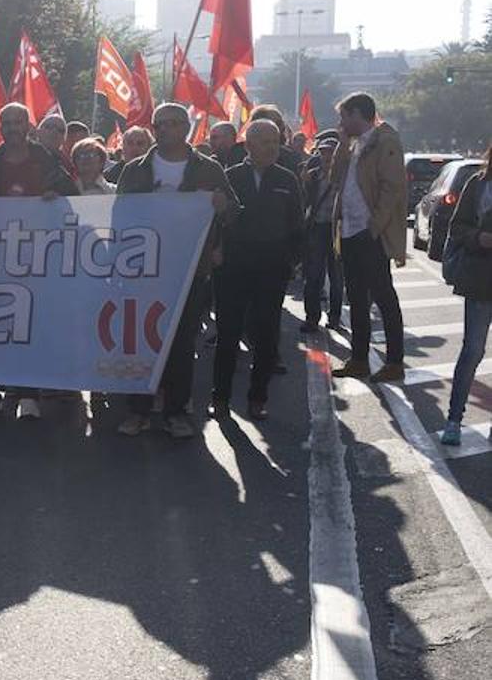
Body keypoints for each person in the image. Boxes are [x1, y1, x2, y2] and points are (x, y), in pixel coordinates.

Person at [115, 102, 239, 439]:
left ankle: (176, 412)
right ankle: (138, 410)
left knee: (181, 342)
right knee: (142, 340)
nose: (164, 129)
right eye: (159, 124)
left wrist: (222, 207)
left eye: (172, 123)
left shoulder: (209, 168)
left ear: (186, 127)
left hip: (189, 269)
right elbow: (120, 216)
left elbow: (233, 212)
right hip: (143, 268)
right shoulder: (136, 169)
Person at [0, 103, 78, 420]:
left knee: (31, 324)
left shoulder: (47, 160)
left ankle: (29, 393)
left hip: (37, 256)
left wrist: (56, 197)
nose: (13, 128)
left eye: (18, 122)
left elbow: (72, 197)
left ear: (28, 126)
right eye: (7, 123)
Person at [210, 120, 304, 421]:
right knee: (228, 333)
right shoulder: (230, 177)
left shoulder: (287, 179)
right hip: (233, 268)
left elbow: (297, 224)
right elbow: (215, 221)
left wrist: (292, 261)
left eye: (275, 141)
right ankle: (220, 397)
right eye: (265, 141)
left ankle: (258, 397)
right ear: (248, 146)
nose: (272, 147)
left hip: (271, 268)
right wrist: (217, 251)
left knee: (266, 334)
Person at [329, 92, 407, 383]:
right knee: (357, 298)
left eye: (344, 117)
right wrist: (341, 145)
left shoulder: (384, 141)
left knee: (383, 296)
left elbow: (392, 187)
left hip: (369, 232)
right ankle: (359, 359)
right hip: (349, 230)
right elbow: (334, 178)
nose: (341, 123)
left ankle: (395, 361)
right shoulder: (355, 144)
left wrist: (376, 226)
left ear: (357, 114)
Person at [440, 153, 492, 445]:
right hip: (480, 279)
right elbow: (457, 227)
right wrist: (478, 238)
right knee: (472, 350)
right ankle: (454, 420)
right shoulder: (478, 183)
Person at [299, 137, 344, 333]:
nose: (326, 157)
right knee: (313, 276)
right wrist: (305, 182)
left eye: (330, 153)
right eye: (323, 153)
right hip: (317, 228)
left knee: (336, 278)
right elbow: (304, 201)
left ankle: (334, 318)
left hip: (337, 230)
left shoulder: (344, 176)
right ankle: (311, 318)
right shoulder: (313, 176)